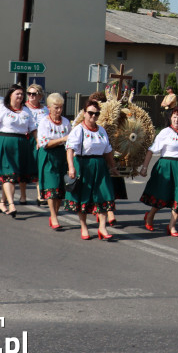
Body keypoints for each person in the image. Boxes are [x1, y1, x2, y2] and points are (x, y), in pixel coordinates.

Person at [137, 104, 178, 236]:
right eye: (174, 117)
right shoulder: (165, 132)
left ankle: (172, 226)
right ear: (170, 118)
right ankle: (150, 216)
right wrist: (144, 167)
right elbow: (151, 150)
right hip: (166, 168)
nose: (176, 120)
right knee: (162, 195)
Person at [65, 102, 120, 241]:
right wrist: (71, 167)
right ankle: (84, 226)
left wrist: (113, 167)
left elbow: (107, 151)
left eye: (96, 114)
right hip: (83, 164)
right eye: (90, 113)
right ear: (84, 113)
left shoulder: (101, 130)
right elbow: (70, 149)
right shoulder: (79, 130)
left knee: (103, 195)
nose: (93, 116)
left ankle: (102, 227)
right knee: (83, 196)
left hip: (100, 165)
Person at [0, 85, 36, 218]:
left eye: (21, 94)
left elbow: (32, 129)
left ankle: (2, 202)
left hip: (20, 144)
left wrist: (39, 142)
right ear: (10, 95)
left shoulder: (26, 110)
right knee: (9, 175)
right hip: (3, 142)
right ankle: (12, 204)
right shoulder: (1, 108)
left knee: (12, 175)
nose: (20, 96)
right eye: (17, 94)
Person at [37, 93, 71, 231]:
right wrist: (62, 139)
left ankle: (55, 214)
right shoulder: (44, 122)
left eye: (61, 107)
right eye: (56, 107)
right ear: (49, 108)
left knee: (60, 189)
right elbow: (44, 143)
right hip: (48, 155)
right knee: (52, 186)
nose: (59, 110)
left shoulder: (66, 122)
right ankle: (53, 215)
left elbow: (70, 141)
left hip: (61, 155)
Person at [22, 84, 48, 205]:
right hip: (27, 139)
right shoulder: (24, 108)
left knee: (38, 167)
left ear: (40, 96)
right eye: (29, 93)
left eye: (34, 94)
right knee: (24, 167)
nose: (31, 96)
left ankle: (40, 195)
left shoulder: (44, 110)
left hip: (39, 139)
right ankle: (23, 195)